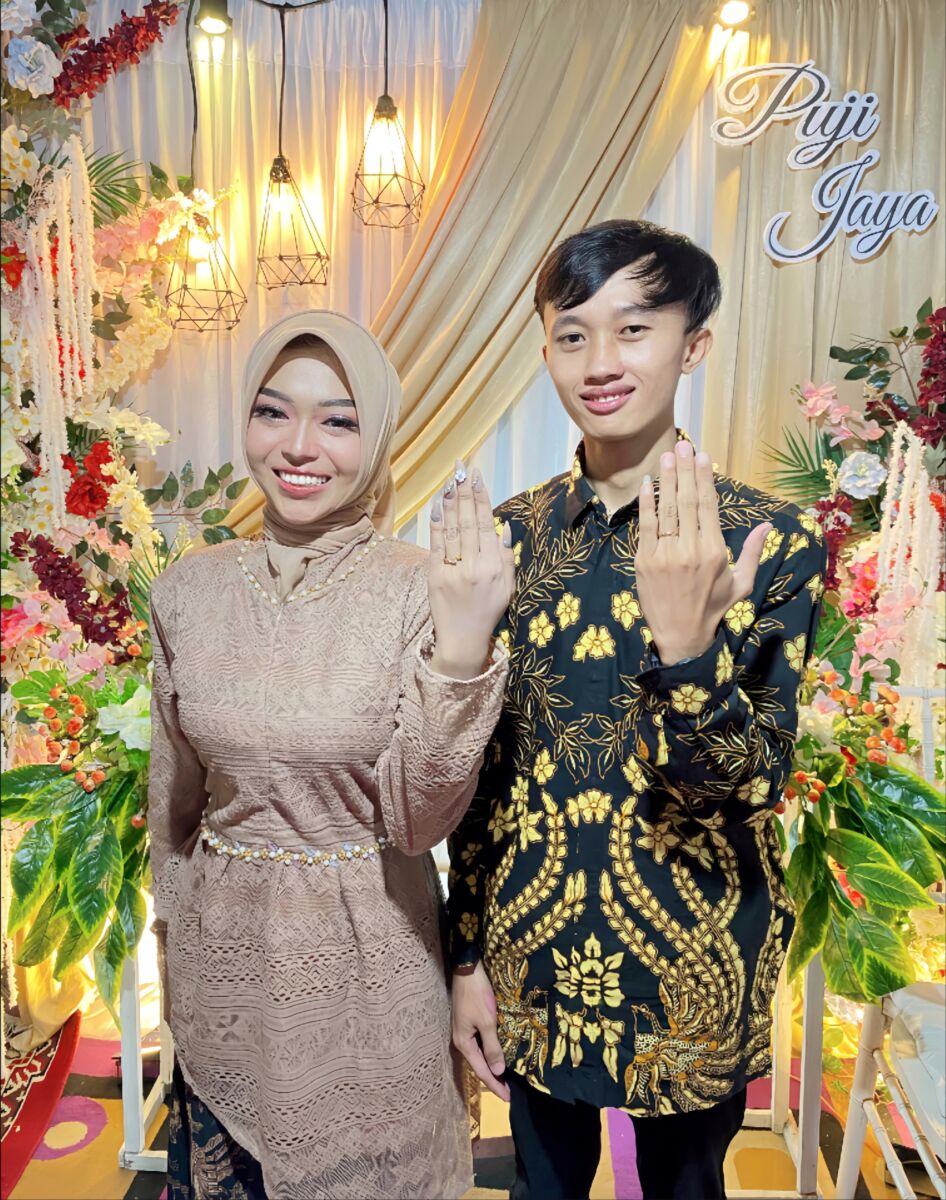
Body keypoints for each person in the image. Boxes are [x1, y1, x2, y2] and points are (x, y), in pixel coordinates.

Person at [447, 220, 827, 1200]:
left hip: (694, 964)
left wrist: (689, 654)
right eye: (571, 334)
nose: (600, 362)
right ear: (544, 350)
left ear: (693, 344)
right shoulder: (509, 539)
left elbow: (753, 786)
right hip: (533, 956)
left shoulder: (769, 540)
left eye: (633, 329)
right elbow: (483, 778)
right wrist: (463, 959)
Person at [148, 309, 515, 1199]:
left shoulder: (420, 588)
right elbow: (173, 807)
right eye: (273, 412)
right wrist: (175, 938)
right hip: (223, 966)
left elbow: (419, 821)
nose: (299, 446)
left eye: (338, 420)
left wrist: (464, 649)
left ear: (377, 436)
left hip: (368, 966)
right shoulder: (188, 589)